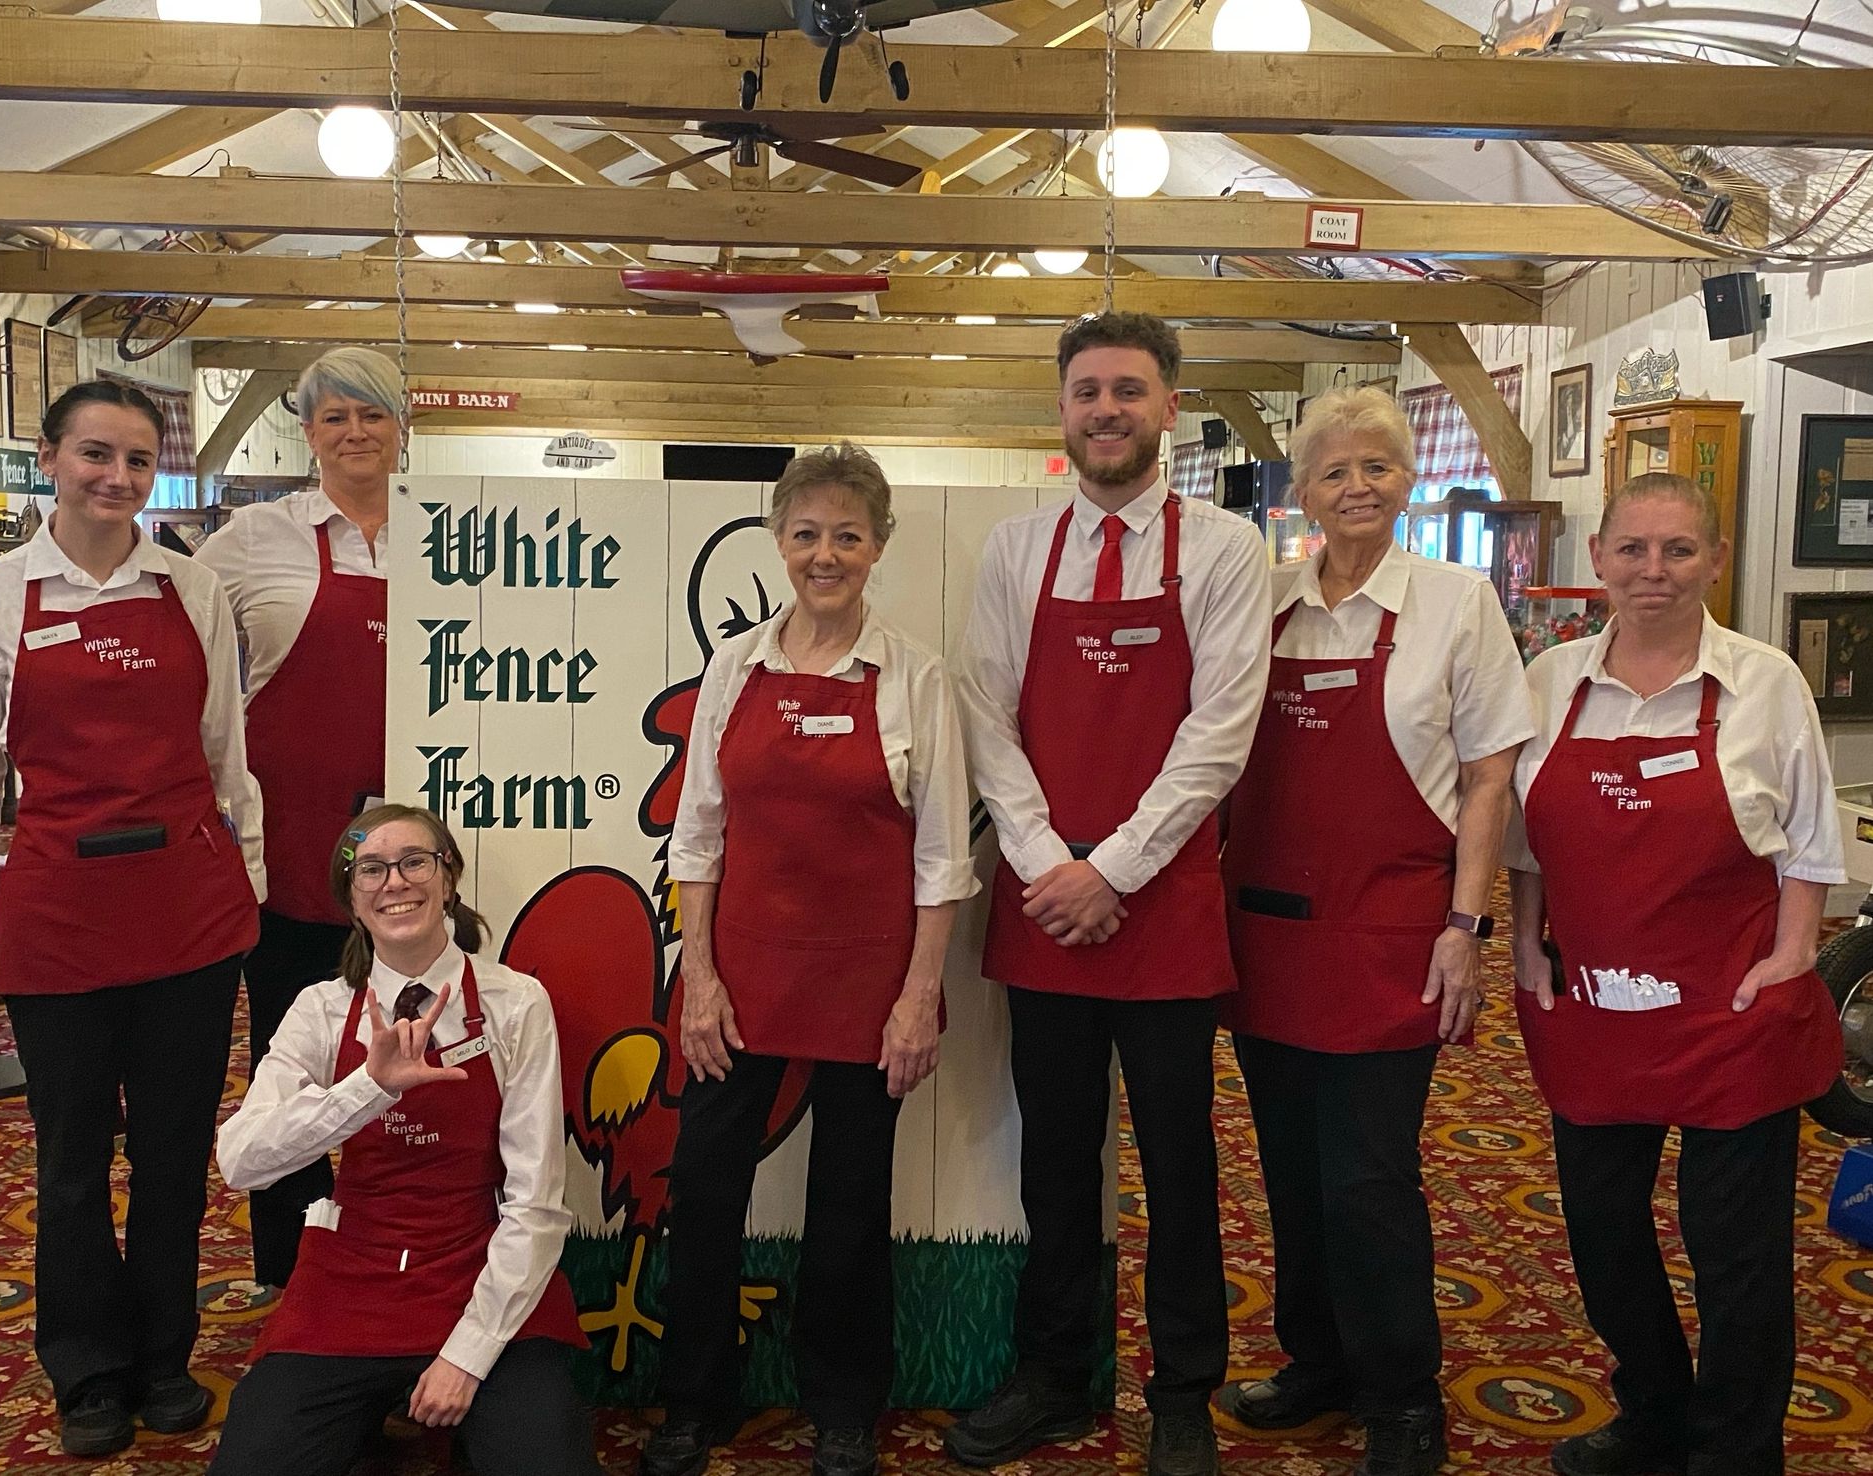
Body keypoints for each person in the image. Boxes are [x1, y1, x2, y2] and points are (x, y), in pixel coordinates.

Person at [950, 313, 1270, 1476]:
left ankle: (1182, 1384)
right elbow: (985, 716)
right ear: (1061, 409)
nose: (1105, 411)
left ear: (1167, 407)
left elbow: (1219, 730)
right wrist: (1047, 864)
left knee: (1181, 1160)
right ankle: (1054, 1372)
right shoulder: (1013, 549)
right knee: (1054, 1155)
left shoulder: (1228, 549)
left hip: (1164, 901)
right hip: (1048, 907)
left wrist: (1114, 868)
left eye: (1128, 390)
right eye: (1086, 391)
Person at [0, 379, 264, 1457]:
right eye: (95, 455)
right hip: (57, 911)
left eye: (134, 460)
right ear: (49, 457)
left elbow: (229, 756)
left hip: (187, 909)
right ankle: (86, 1367)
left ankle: (166, 1354)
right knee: (72, 1155)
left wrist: (248, 880)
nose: (116, 478)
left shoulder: (190, 588)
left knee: (175, 1151)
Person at [1215, 386, 1531, 1476]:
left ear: (1406, 483)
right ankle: (1317, 1362)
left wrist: (1465, 924)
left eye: (1377, 468)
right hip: (1264, 932)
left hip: (1394, 930)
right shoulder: (1257, 601)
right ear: (1298, 491)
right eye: (1333, 471)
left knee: (1367, 1176)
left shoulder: (1453, 601)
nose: (1355, 487)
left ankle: (1401, 1395)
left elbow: (1488, 776)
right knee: (1290, 1172)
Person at [644, 443, 976, 1476]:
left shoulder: (913, 677)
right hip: (735, 981)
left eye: (845, 534)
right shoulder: (732, 668)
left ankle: (841, 1406)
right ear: (777, 542)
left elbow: (941, 858)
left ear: (877, 545)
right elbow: (696, 837)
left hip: (867, 983)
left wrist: (919, 997)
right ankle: (693, 1402)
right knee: (701, 1190)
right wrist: (696, 977)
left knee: (847, 1203)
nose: (823, 553)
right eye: (805, 533)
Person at [1507, 473, 1843, 1476]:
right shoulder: (1548, 681)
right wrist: (1524, 943)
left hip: (1728, 1011)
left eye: (1677, 550)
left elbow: (1809, 847)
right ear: (1599, 556)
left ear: (1713, 559)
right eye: (1632, 549)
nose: (1652, 570)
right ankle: (1651, 1410)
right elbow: (1524, 845)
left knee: (1732, 1253)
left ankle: (1735, 1450)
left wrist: (1789, 957)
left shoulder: (1763, 681)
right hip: (1591, 1006)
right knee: (1601, 1233)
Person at [212, 804, 596, 1476]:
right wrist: (371, 1087)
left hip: (478, 1269)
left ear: (449, 879)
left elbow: (535, 1202)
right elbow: (242, 1160)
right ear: (351, 899)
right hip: (349, 1282)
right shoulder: (322, 1009)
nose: (395, 881)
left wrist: (465, 1357)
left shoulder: (516, 1002)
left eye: (416, 861)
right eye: (371, 868)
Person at [199, 345, 401, 1289]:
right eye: (335, 417)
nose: (355, 432)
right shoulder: (252, 537)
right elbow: (177, 644)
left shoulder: (451, 529)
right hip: (291, 849)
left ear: (402, 430)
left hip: (419, 860)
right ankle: (294, 1271)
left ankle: (405, 1253)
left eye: (373, 414)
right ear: (309, 431)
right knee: (295, 1061)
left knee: (416, 1059)